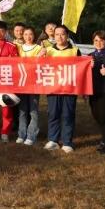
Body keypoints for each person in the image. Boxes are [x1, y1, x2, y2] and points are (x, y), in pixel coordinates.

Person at [40, 25, 81, 153]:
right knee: (53, 113)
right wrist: (40, 57)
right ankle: (53, 140)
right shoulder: (48, 50)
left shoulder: (75, 51)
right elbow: (38, 68)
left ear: (67, 36)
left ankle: (67, 142)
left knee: (68, 114)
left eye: (62, 34)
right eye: (57, 34)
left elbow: (81, 69)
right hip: (53, 87)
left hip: (69, 88)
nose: (59, 37)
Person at [16, 26, 42, 145]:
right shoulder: (18, 48)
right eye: (25, 34)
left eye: (30, 34)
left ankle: (31, 135)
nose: (28, 37)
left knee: (33, 110)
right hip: (21, 83)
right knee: (22, 110)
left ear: (34, 35)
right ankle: (21, 134)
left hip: (34, 83)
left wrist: (41, 55)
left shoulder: (39, 48)